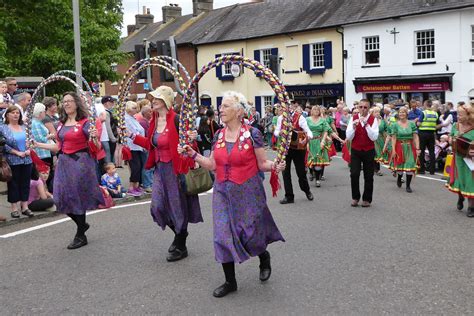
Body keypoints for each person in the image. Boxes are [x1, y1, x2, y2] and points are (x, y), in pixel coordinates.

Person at [178, 91, 285, 298]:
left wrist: (276, 166)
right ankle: (230, 281)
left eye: (226, 106)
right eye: (221, 106)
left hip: (248, 190)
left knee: (250, 233)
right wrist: (193, 154)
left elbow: (262, 164)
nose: (221, 109)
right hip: (222, 191)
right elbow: (212, 164)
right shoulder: (218, 135)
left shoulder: (252, 133)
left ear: (239, 111)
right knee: (222, 234)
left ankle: (263, 256)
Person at [131, 86, 203, 262]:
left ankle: (180, 242)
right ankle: (181, 234)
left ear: (166, 101)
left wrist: (192, 138)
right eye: (153, 97)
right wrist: (132, 136)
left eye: (157, 98)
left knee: (178, 206)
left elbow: (190, 146)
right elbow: (151, 144)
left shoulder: (177, 120)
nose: (153, 100)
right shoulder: (154, 121)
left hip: (176, 169)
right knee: (157, 207)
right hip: (160, 169)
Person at [33, 92, 104, 249]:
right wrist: (38, 144)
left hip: (81, 163)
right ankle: (82, 224)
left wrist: (94, 137)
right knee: (59, 198)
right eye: (64, 101)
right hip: (64, 163)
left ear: (77, 103)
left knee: (77, 197)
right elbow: (58, 146)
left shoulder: (85, 123)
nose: (66, 104)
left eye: (69, 101)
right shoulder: (61, 123)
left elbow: (97, 148)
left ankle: (80, 234)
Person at [274, 101, 314, 204]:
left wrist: (308, 137)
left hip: (298, 149)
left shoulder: (299, 117)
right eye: (282, 107)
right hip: (285, 148)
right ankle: (289, 196)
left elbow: (308, 131)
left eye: (286, 106)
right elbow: (276, 131)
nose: (284, 108)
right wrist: (280, 132)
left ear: (290, 106)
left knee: (301, 172)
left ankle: (306, 190)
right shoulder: (280, 118)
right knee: (285, 172)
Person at [0, 105, 34, 218]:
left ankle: (25, 207)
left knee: (25, 183)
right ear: (7, 115)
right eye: (13, 112)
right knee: (13, 184)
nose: (15, 114)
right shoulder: (3, 128)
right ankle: (14, 208)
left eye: (17, 113)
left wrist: (29, 149)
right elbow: (3, 145)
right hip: (12, 160)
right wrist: (16, 152)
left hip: (27, 159)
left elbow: (31, 140)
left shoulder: (24, 127)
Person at [346, 99, 379, 207]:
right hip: (356, 150)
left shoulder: (373, 120)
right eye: (361, 107)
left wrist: (367, 125)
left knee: (368, 175)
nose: (363, 109)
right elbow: (349, 137)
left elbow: (374, 137)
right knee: (354, 174)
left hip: (368, 150)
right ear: (358, 108)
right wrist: (354, 128)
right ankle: (355, 197)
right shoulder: (353, 118)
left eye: (365, 107)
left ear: (368, 108)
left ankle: (367, 199)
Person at [446, 102, 474, 217]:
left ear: (469, 115)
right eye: (458, 114)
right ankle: (461, 196)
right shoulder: (455, 126)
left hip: (471, 160)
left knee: (470, 181)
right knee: (461, 179)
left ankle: (471, 207)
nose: (458, 117)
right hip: (458, 157)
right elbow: (450, 138)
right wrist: (452, 138)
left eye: (461, 115)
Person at [390, 107, 420, 193]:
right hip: (399, 146)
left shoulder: (412, 124)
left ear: (407, 114)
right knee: (400, 166)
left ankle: (408, 186)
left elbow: (415, 137)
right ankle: (399, 177)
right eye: (400, 112)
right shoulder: (395, 124)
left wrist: (417, 148)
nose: (401, 114)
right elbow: (394, 138)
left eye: (403, 112)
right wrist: (393, 150)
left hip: (410, 147)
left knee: (410, 164)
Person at [31, 103, 55, 192]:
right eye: (44, 111)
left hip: (45, 151)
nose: (45, 112)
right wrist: (49, 136)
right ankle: (44, 193)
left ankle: (46, 192)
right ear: (40, 112)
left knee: (46, 174)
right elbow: (39, 139)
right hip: (41, 152)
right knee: (44, 175)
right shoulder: (35, 123)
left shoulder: (38, 122)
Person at [124, 101, 145, 196]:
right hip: (132, 145)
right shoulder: (127, 119)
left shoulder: (133, 118)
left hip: (138, 145)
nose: (136, 109)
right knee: (135, 167)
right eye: (134, 108)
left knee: (139, 166)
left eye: (136, 108)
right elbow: (132, 131)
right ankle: (131, 186)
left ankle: (136, 186)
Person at [306, 106, 330, 187]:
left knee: (318, 161)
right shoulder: (307, 119)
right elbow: (304, 131)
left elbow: (326, 131)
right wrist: (306, 142)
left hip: (319, 141)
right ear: (311, 111)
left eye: (317, 110)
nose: (316, 111)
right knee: (311, 160)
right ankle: (312, 172)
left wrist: (323, 141)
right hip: (310, 141)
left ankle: (317, 180)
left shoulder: (323, 120)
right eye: (314, 109)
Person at [417, 100, 439, 174]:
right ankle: (432, 170)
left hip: (423, 133)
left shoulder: (423, 112)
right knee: (432, 151)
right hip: (431, 133)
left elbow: (419, 124)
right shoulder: (435, 113)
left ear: (425, 105)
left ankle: (422, 169)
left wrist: (416, 121)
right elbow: (439, 124)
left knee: (422, 151)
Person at [373, 106, 389, 176]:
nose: (377, 113)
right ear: (372, 113)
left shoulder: (383, 121)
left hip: (381, 139)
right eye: (375, 112)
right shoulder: (370, 121)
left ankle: (377, 169)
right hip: (372, 139)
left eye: (378, 112)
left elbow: (387, 129)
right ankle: (376, 169)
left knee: (380, 154)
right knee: (375, 154)